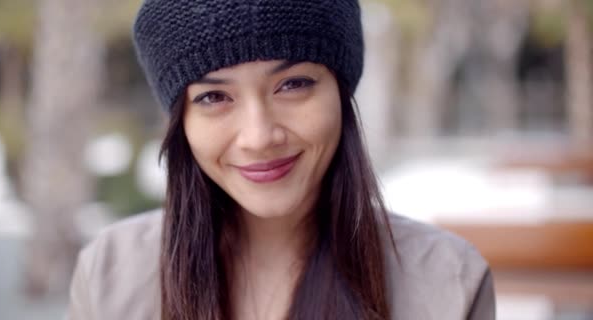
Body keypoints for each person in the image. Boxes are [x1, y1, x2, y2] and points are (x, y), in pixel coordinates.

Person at [67, 1, 495, 319]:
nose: (259, 137)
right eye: (214, 97)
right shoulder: (110, 276)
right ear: (182, 122)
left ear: (341, 95)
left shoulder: (448, 283)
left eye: (293, 85)